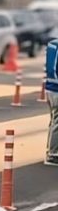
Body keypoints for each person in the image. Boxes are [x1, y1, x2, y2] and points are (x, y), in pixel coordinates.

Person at [46, 37, 58, 166]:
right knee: (57, 121)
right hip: (56, 89)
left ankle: (50, 149)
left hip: (50, 88)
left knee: (54, 120)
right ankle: (53, 154)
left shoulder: (52, 44)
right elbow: (54, 70)